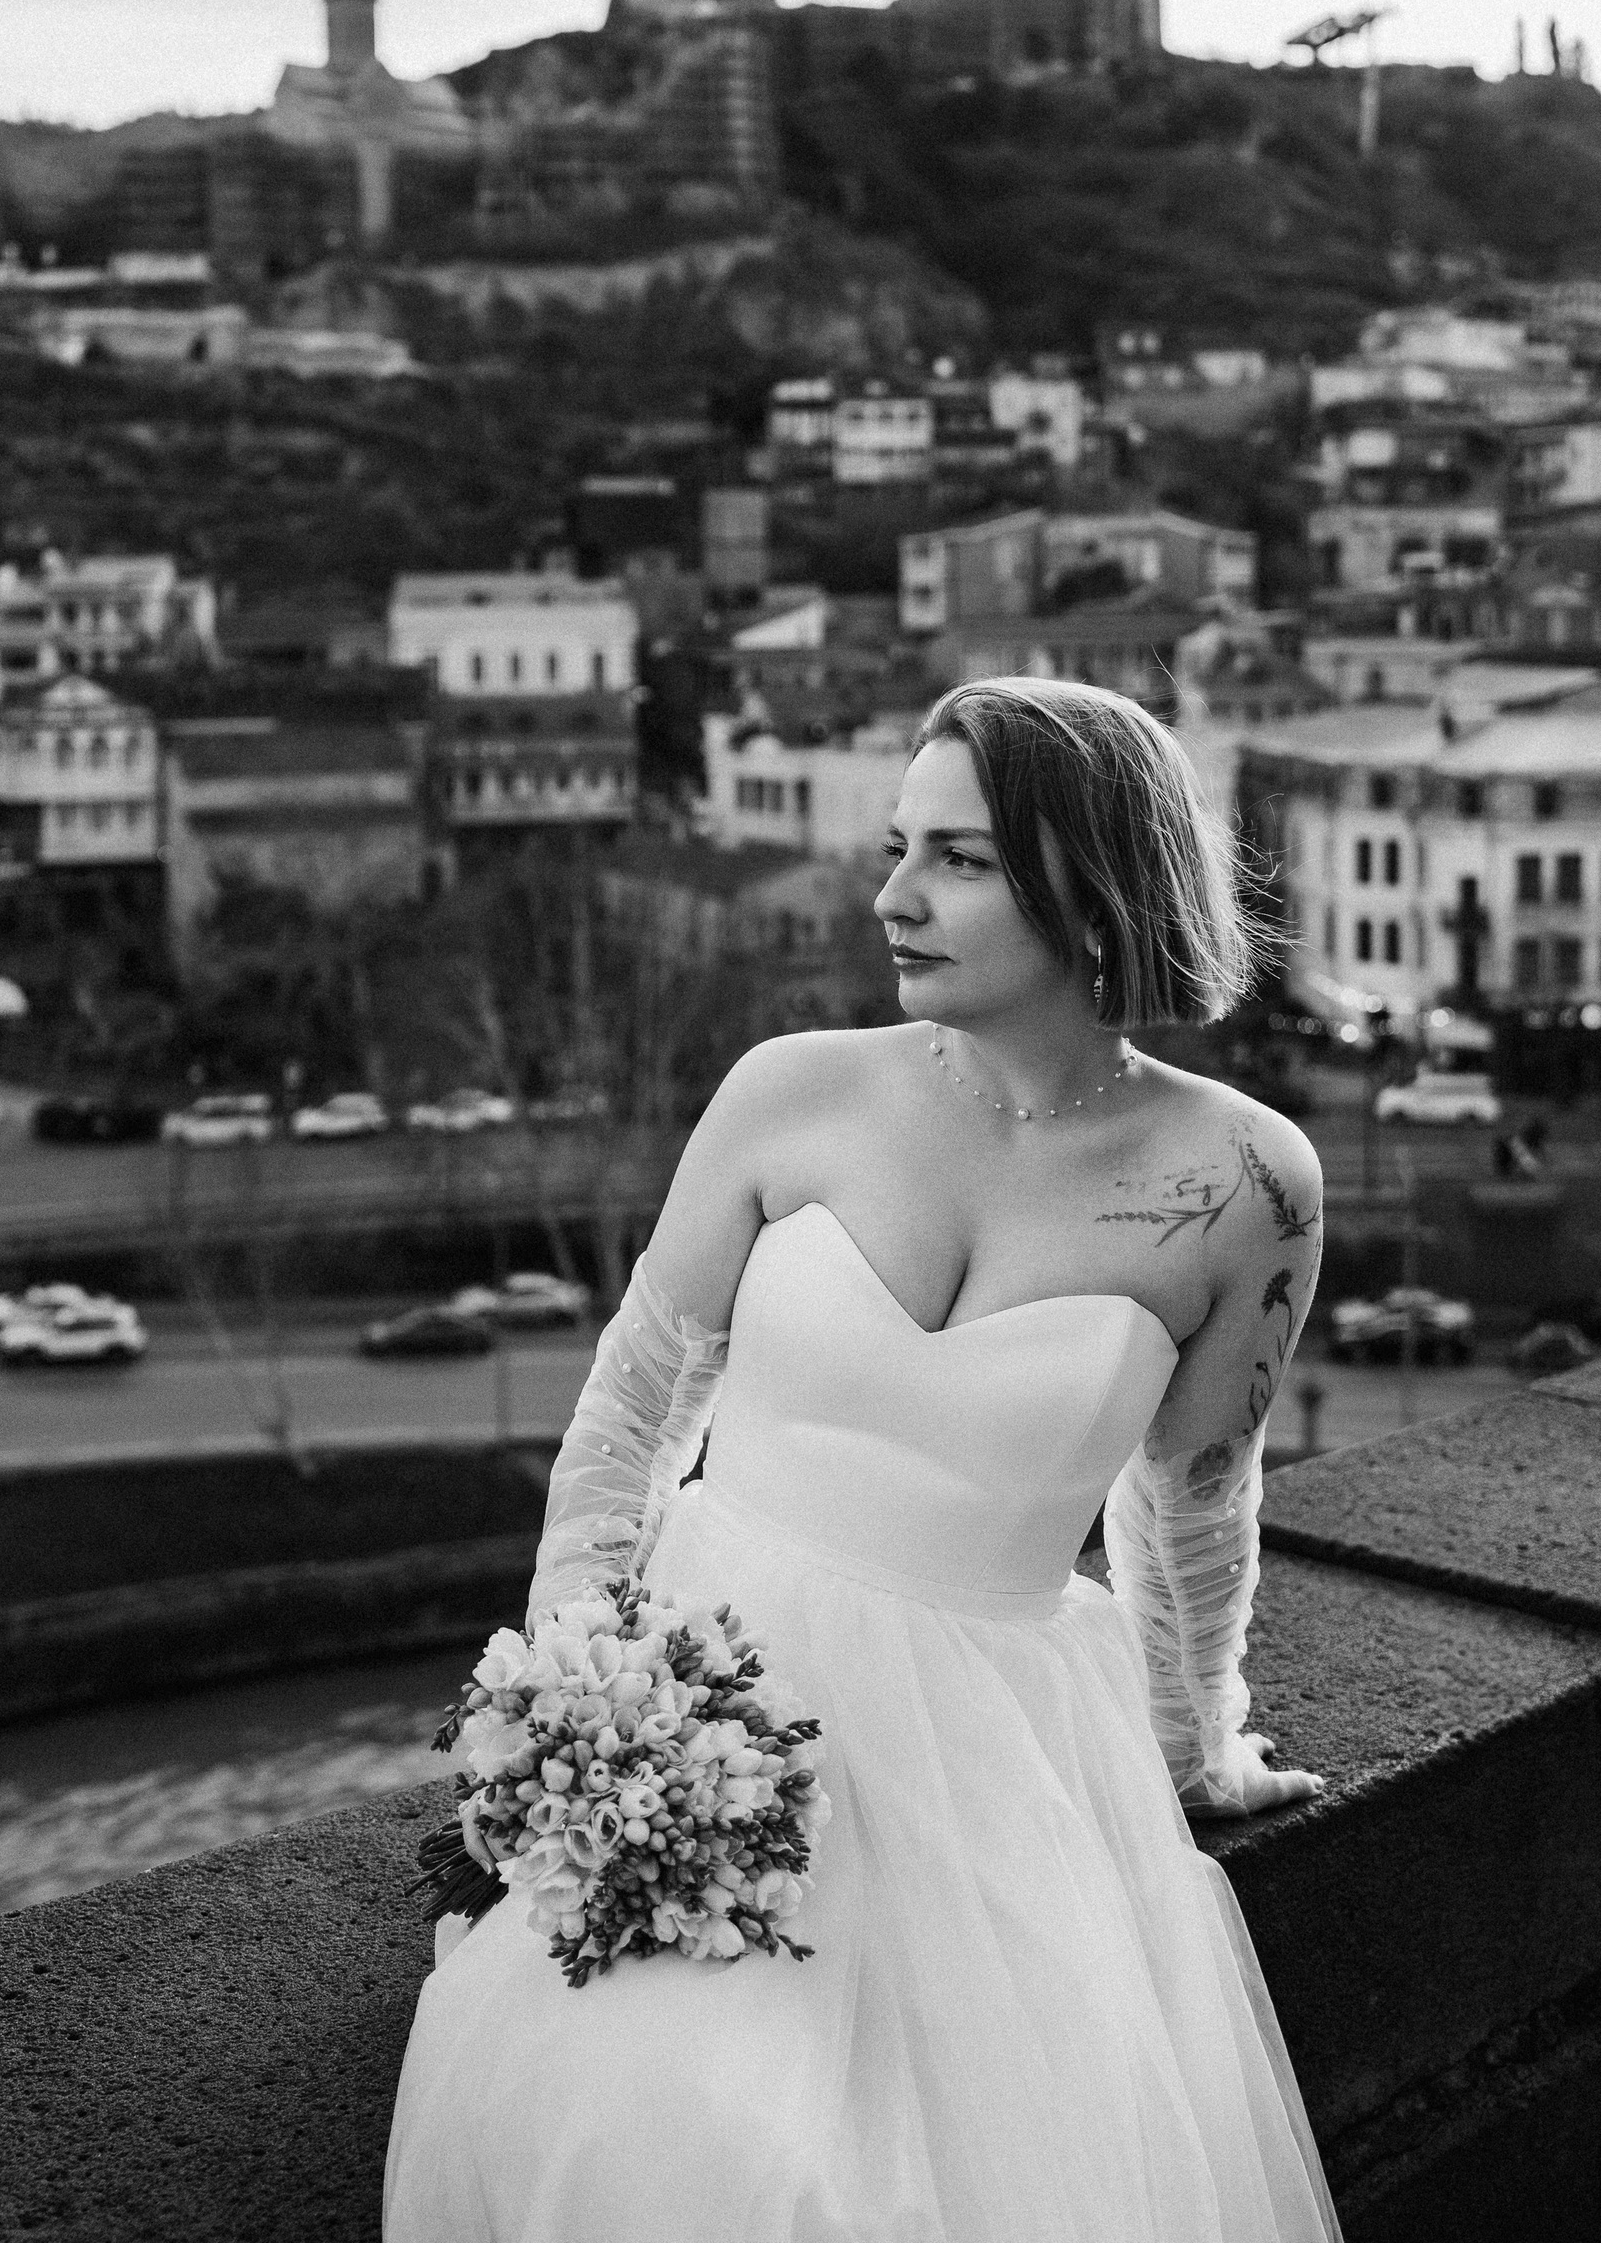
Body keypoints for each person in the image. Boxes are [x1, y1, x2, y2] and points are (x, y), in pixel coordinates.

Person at [385, 678, 1339, 2240]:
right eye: (899, 847)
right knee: (658, 2137)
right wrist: (571, 1713)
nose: (893, 897)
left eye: (958, 858)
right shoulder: (792, 1089)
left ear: (1099, 882)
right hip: (718, 1698)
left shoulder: (1245, 1181)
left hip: (993, 1761)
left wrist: (1194, 1744)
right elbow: (635, 1412)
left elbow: (1193, 1500)